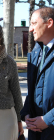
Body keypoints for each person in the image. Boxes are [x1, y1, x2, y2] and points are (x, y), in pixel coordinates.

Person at [20, 7, 54, 140]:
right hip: (36, 132)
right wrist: (26, 113)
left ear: (49, 22)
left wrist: (48, 120)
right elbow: (33, 90)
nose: (30, 29)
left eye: (34, 23)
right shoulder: (35, 53)